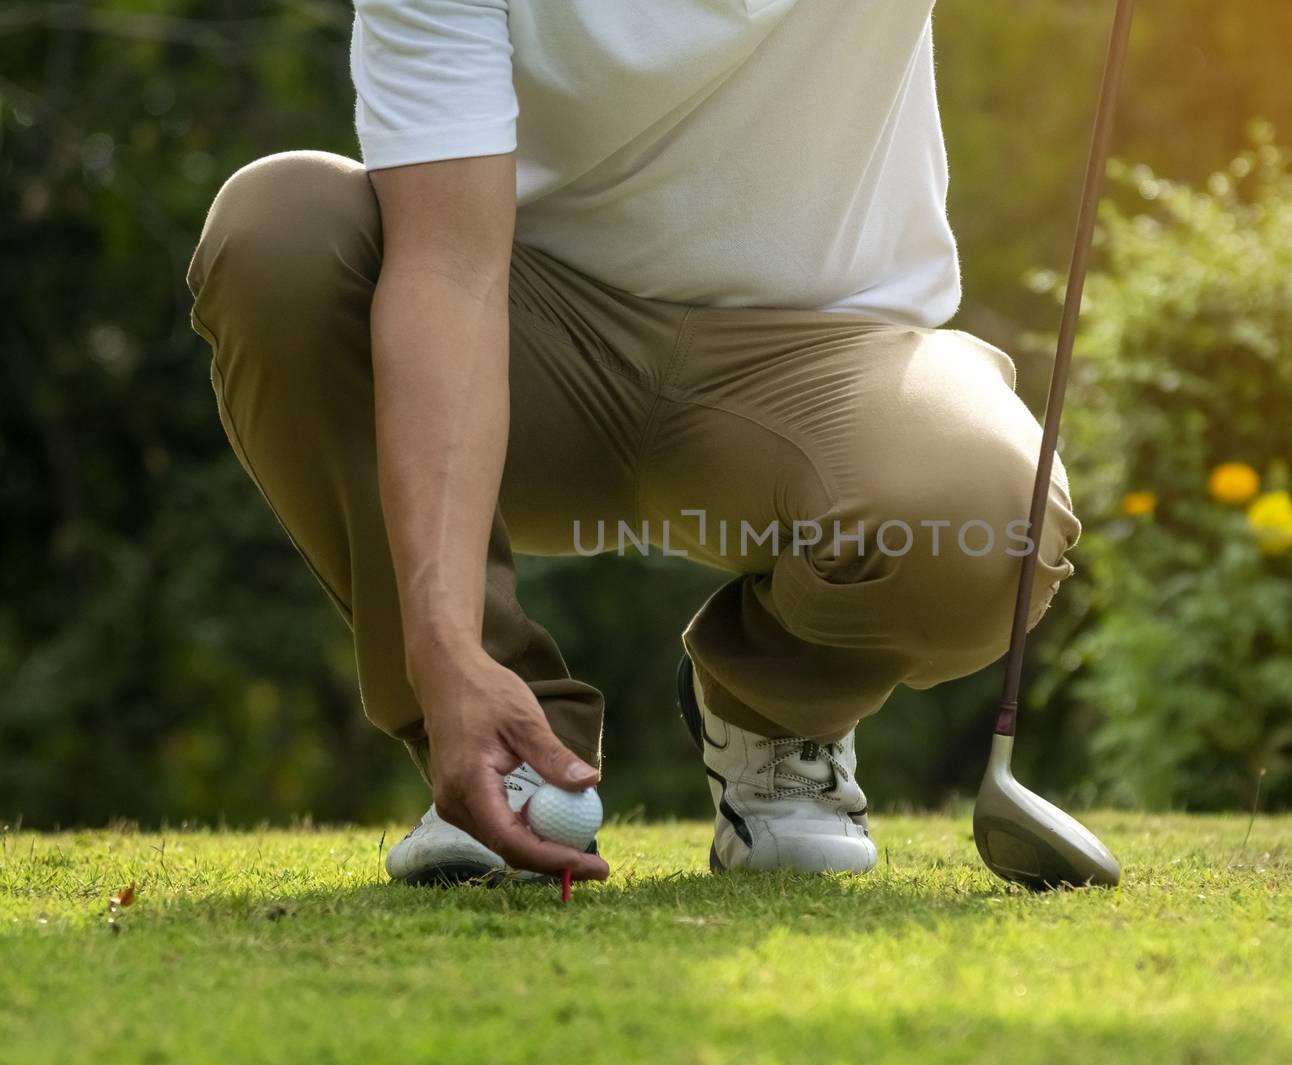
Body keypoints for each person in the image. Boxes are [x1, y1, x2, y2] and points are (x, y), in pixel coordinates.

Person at [187, 0, 1079, 886]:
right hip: (530, 340)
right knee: (279, 233)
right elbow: (448, 268)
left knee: (998, 514)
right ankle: (509, 742)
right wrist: (443, 645)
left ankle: (773, 713)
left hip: (822, 361)